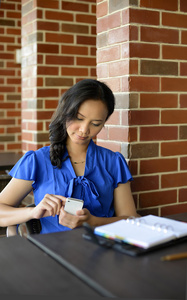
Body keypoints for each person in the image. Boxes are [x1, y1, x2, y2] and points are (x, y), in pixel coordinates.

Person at [0, 79, 139, 235]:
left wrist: (93, 221)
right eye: (79, 118)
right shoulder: (37, 160)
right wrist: (33, 213)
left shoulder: (113, 162)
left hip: (101, 250)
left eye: (96, 123)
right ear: (66, 111)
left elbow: (131, 219)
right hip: (48, 253)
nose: (84, 130)